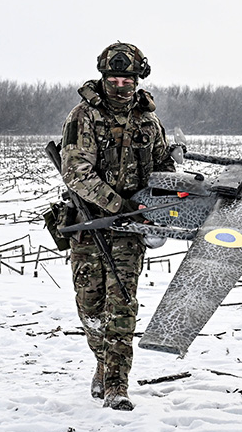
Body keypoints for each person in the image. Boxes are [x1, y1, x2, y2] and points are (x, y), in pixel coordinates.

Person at [60, 42, 175, 410]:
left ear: (138, 79)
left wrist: (156, 201)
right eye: (113, 78)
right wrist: (118, 204)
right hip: (90, 225)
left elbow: (163, 168)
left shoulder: (148, 121)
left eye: (127, 79)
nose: (120, 85)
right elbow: (76, 174)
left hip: (130, 231)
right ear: (103, 77)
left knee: (122, 308)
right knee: (90, 308)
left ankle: (116, 386)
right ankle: (102, 361)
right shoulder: (83, 117)